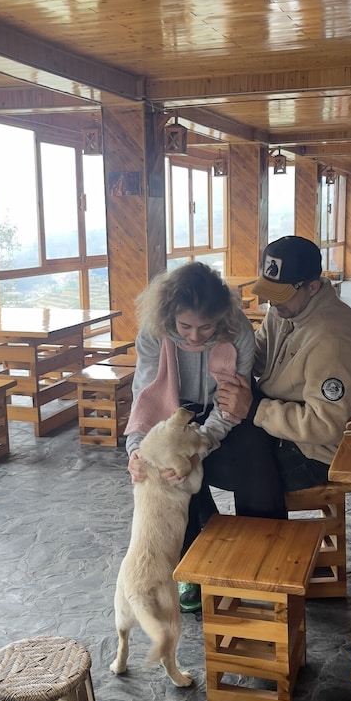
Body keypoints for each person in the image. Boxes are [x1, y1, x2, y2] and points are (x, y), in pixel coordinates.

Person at [204, 235, 351, 517]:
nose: (272, 302)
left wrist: (254, 409)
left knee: (198, 461)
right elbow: (259, 358)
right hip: (276, 426)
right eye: (269, 291)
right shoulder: (286, 311)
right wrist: (222, 339)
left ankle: (255, 537)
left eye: (281, 294)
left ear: (312, 287)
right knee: (188, 449)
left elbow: (324, 425)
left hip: (312, 453)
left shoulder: (333, 339)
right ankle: (214, 533)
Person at [124, 262, 255, 611]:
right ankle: (189, 568)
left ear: (221, 318)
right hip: (170, 411)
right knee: (168, 475)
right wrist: (137, 451)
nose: (195, 337)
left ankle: (254, 558)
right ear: (170, 316)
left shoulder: (238, 330)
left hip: (225, 413)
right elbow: (147, 395)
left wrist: (200, 446)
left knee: (253, 467)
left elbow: (232, 404)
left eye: (206, 327)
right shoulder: (154, 331)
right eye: (185, 327)